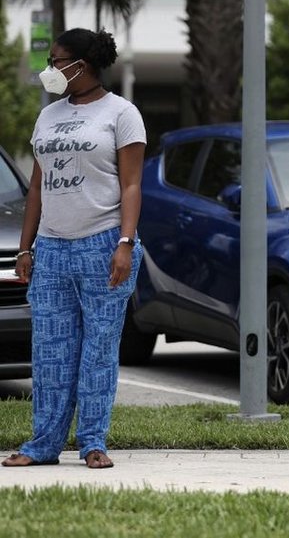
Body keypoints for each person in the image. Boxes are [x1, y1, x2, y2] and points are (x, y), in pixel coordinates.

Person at [2, 28, 146, 470]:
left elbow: (132, 184)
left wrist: (124, 242)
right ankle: (43, 444)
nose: (51, 69)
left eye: (58, 60)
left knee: (98, 349)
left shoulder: (122, 113)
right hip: (52, 247)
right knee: (50, 350)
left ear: (83, 64)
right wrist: (25, 249)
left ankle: (93, 442)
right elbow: (38, 188)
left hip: (103, 243)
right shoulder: (47, 117)